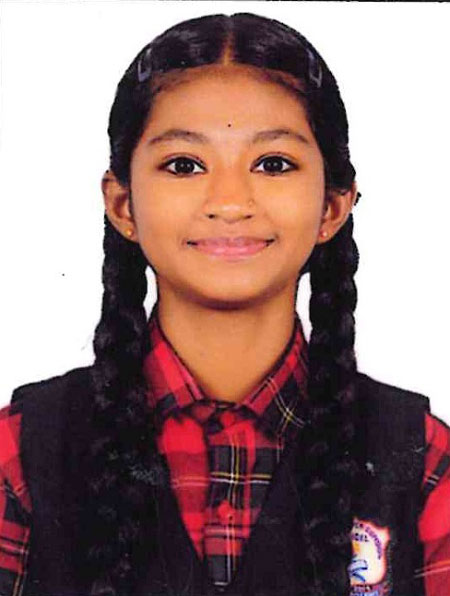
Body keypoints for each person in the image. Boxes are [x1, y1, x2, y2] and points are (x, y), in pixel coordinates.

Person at [0, 11, 449, 596]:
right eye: (184, 165)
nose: (231, 201)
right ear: (123, 205)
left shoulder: (423, 462)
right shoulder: (21, 454)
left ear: (333, 206)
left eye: (274, 164)